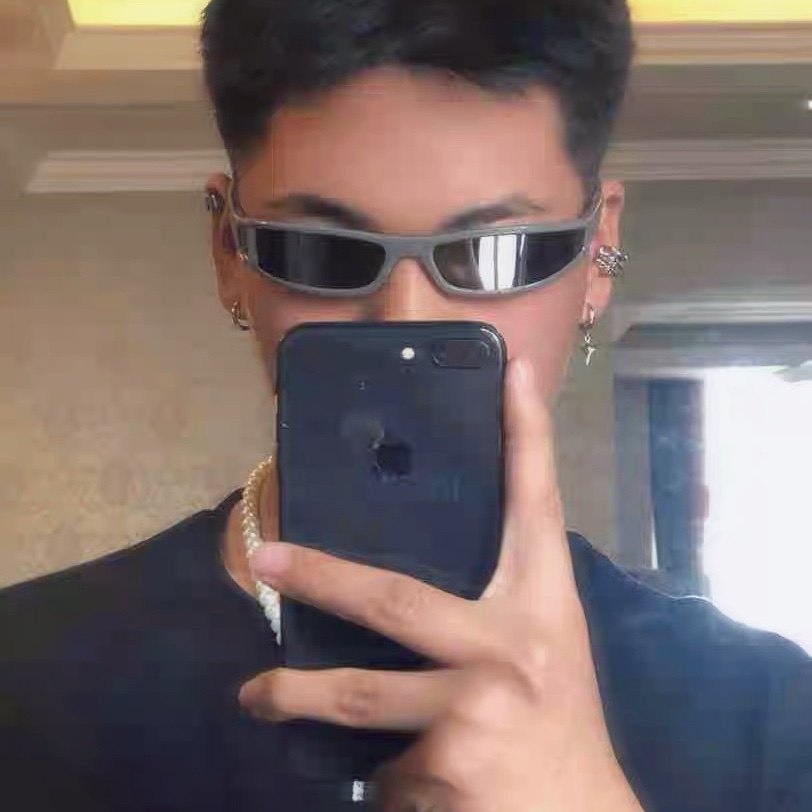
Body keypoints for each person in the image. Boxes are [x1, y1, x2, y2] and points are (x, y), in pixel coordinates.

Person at [1, 1, 810, 810]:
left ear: (599, 255)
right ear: (229, 254)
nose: (405, 321)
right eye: (321, 250)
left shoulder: (769, 713)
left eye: (497, 251)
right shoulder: (23, 675)